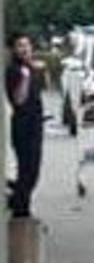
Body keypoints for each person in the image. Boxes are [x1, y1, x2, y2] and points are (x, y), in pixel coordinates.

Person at [6, 34, 44, 218]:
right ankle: (20, 211)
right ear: (13, 49)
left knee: (33, 172)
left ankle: (17, 200)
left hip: (35, 125)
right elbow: (19, 100)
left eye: (27, 45)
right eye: (20, 45)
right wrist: (25, 78)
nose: (25, 49)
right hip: (22, 127)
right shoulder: (14, 70)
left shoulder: (30, 68)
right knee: (26, 171)